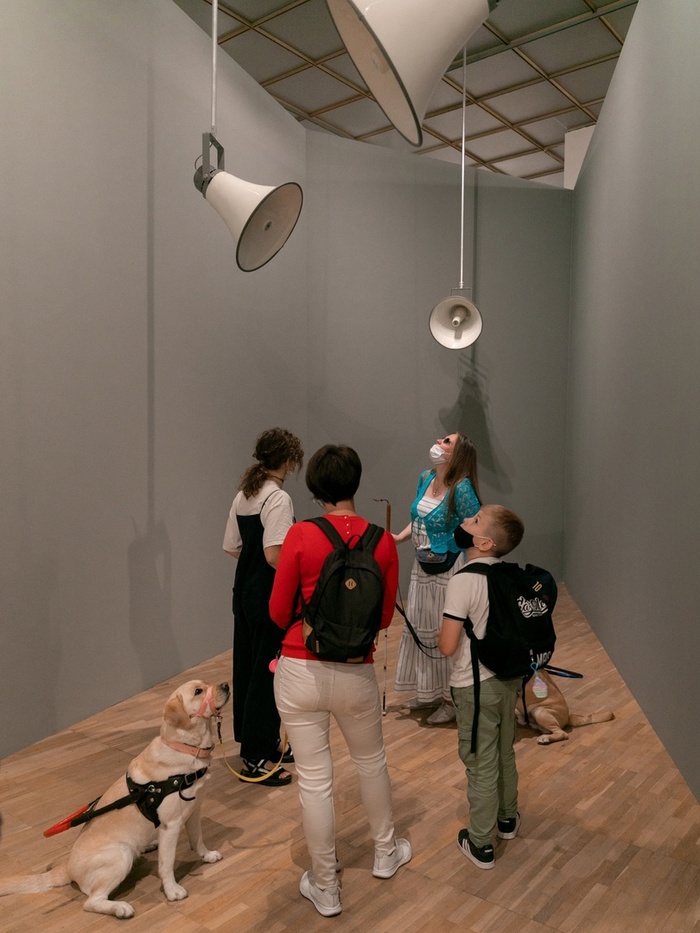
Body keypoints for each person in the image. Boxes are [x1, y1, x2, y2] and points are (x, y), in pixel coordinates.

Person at [270, 444, 411, 917]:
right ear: (356, 482)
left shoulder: (300, 535)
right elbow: (385, 617)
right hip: (356, 670)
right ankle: (386, 853)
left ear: (315, 488)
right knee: (371, 763)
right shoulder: (383, 541)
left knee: (315, 780)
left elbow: (277, 611)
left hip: (300, 667)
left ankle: (326, 885)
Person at [438, 505, 525, 870]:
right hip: (509, 680)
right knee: (505, 752)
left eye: (474, 521)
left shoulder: (463, 580)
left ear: (485, 542)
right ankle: (507, 819)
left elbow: (447, 645)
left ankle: (480, 843)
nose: (464, 521)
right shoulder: (510, 576)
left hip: (474, 685)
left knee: (480, 762)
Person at [222, 427, 304, 786]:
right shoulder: (278, 499)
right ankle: (255, 756)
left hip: (244, 592)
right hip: (269, 595)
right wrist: (301, 570)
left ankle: (260, 742)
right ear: (289, 460)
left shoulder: (245, 495)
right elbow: (274, 555)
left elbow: (232, 547)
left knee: (248, 666)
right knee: (267, 671)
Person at [393, 433, 481, 724]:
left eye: (447, 441)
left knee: (445, 633)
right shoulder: (426, 477)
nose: (438, 441)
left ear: (457, 455)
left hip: (448, 569)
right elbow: (418, 518)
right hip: (422, 567)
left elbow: (476, 528)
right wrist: (400, 537)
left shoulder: (462, 489)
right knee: (422, 627)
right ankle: (428, 691)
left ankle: (450, 699)